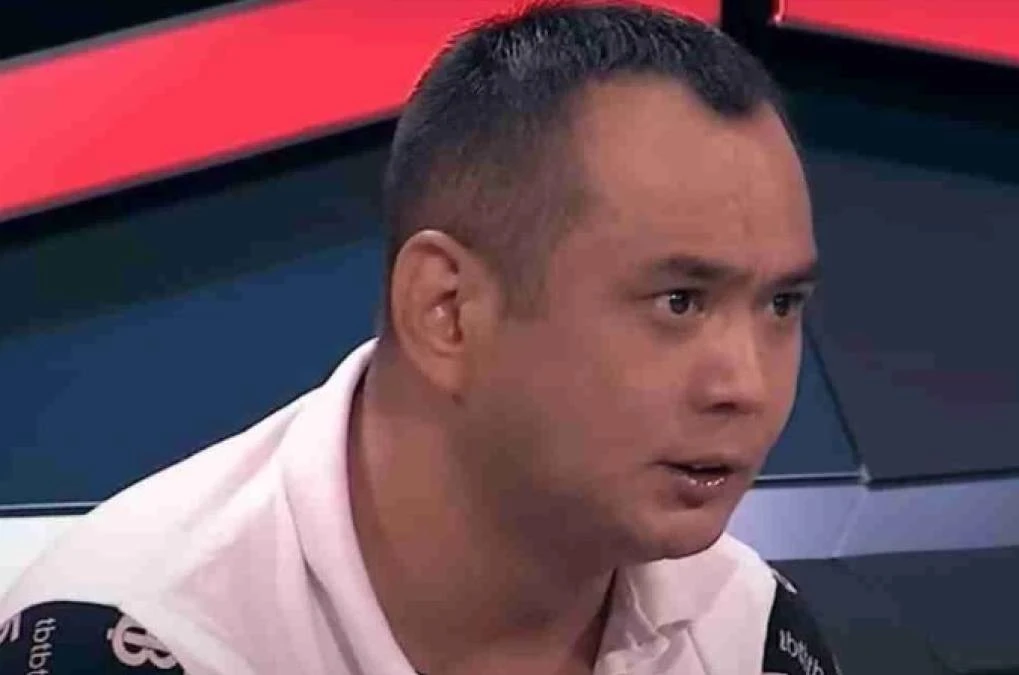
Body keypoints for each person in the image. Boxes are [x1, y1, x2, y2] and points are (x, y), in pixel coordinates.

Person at [0, 2, 831, 673]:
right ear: (448, 310)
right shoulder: (131, 644)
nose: (747, 385)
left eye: (780, 305)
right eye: (680, 302)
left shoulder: (752, 637)